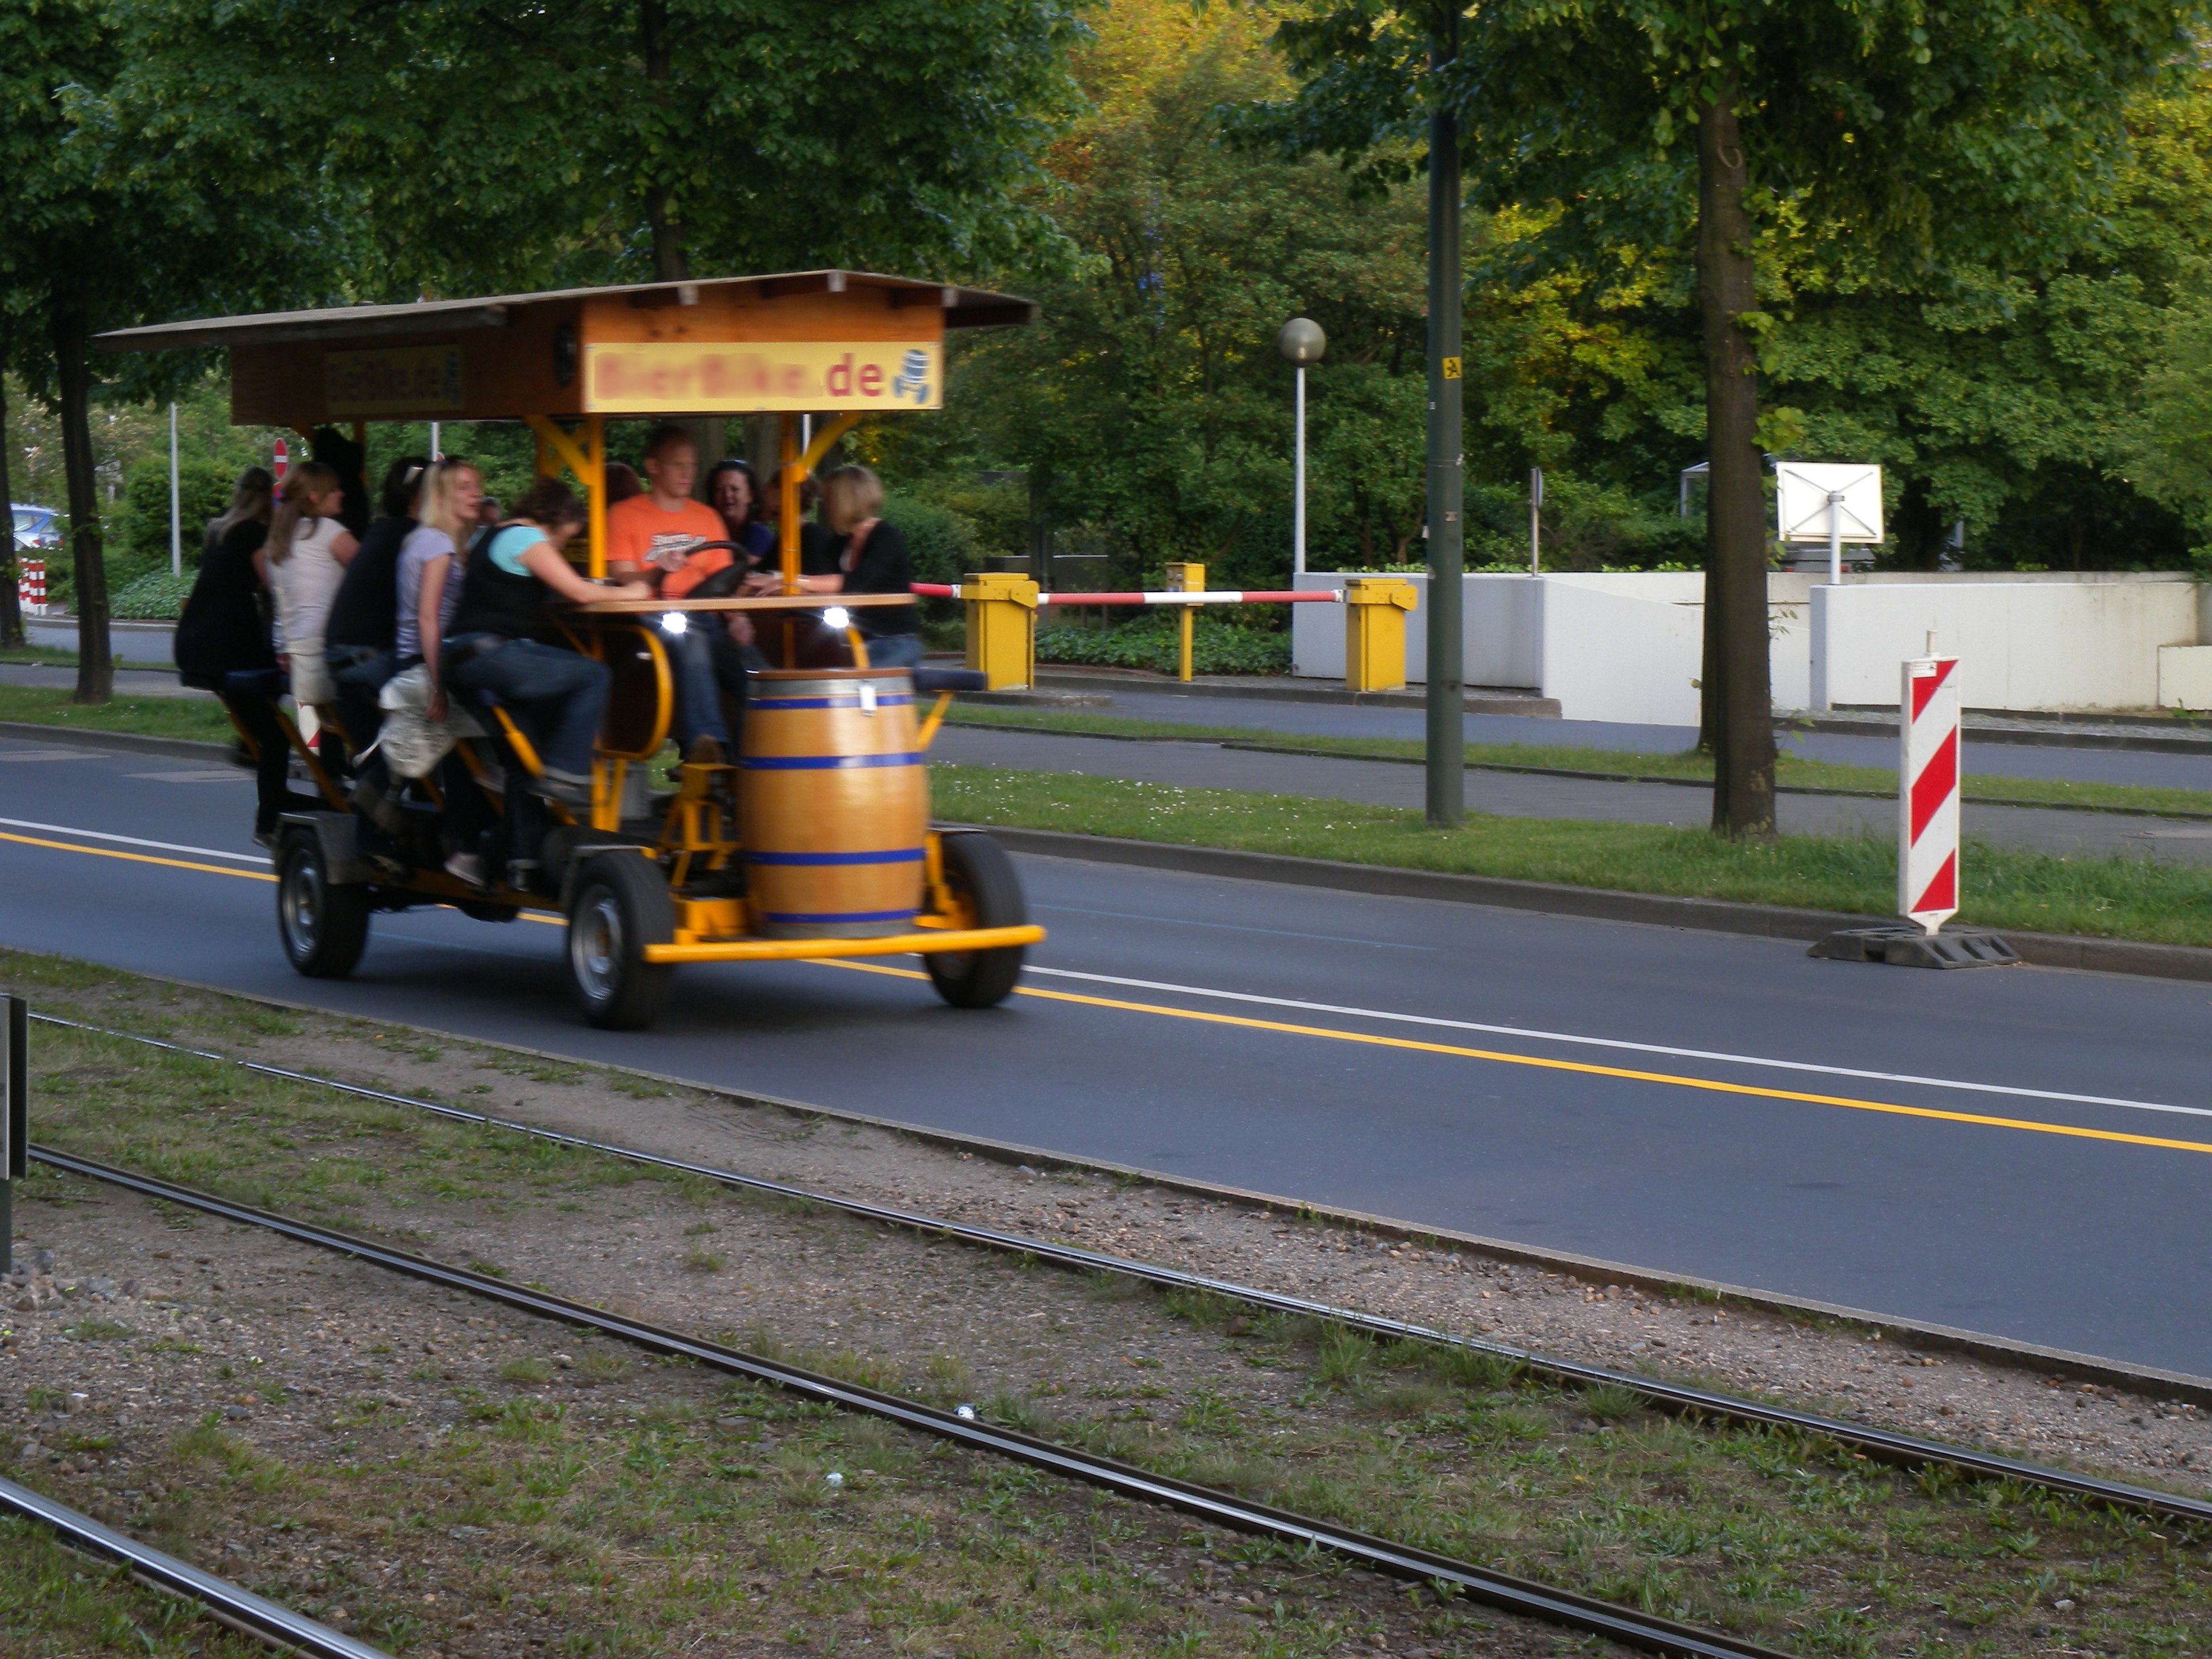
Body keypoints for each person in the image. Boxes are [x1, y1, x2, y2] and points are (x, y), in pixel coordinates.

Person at [443, 479, 649, 815]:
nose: (560, 547)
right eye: (564, 538)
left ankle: (521, 860)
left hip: (462, 655)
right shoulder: (527, 537)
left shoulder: (492, 534)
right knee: (593, 675)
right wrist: (632, 593)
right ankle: (566, 775)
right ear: (553, 521)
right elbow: (579, 592)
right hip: (491, 655)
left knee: (526, 760)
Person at [173, 467, 313, 843]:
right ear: (269, 498)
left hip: (196, 642)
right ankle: (268, 820)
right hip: (227, 648)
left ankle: (254, 758)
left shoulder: (218, 531)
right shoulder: (252, 533)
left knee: (266, 707)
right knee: (277, 734)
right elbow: (272, 585)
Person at [607, 425, 750, 756]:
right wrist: (660, 569)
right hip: (653, 621)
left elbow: (723, 580)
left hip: (707, 617)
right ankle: (707, 749)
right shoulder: (624, 514)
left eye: (692, 466)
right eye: (678, 465)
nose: (688, 474)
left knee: (759, 678)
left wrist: (737, 617)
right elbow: (622, 576)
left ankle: (748, 766)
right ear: (654, 466)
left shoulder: (708, 517)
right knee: (692, 638)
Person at [324, 456, 430, 752]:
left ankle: (381, 790)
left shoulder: (380, 531)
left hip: (339, 656)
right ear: (424, 496)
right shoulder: (417, 538)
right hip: (370, 658)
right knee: (452, 707)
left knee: (374, 751)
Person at [773, 464, 924, 670]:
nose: (825, 507)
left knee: (844, 681)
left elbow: (856, 583)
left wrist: (792, 581)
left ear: (844, 502)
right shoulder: (839, 542)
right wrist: (786, 584)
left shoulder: (886, 537)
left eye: (828, 500)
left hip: (894, 641)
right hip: (854, 641)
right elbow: (824, 583)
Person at [264, 462, 359, 729]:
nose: (341, 493)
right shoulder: (327, 531)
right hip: (328, 651)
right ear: (315, 496)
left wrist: (283, 647)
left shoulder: (279, 537)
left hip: (296, 654)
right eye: (335, 489)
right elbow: (371, 576)